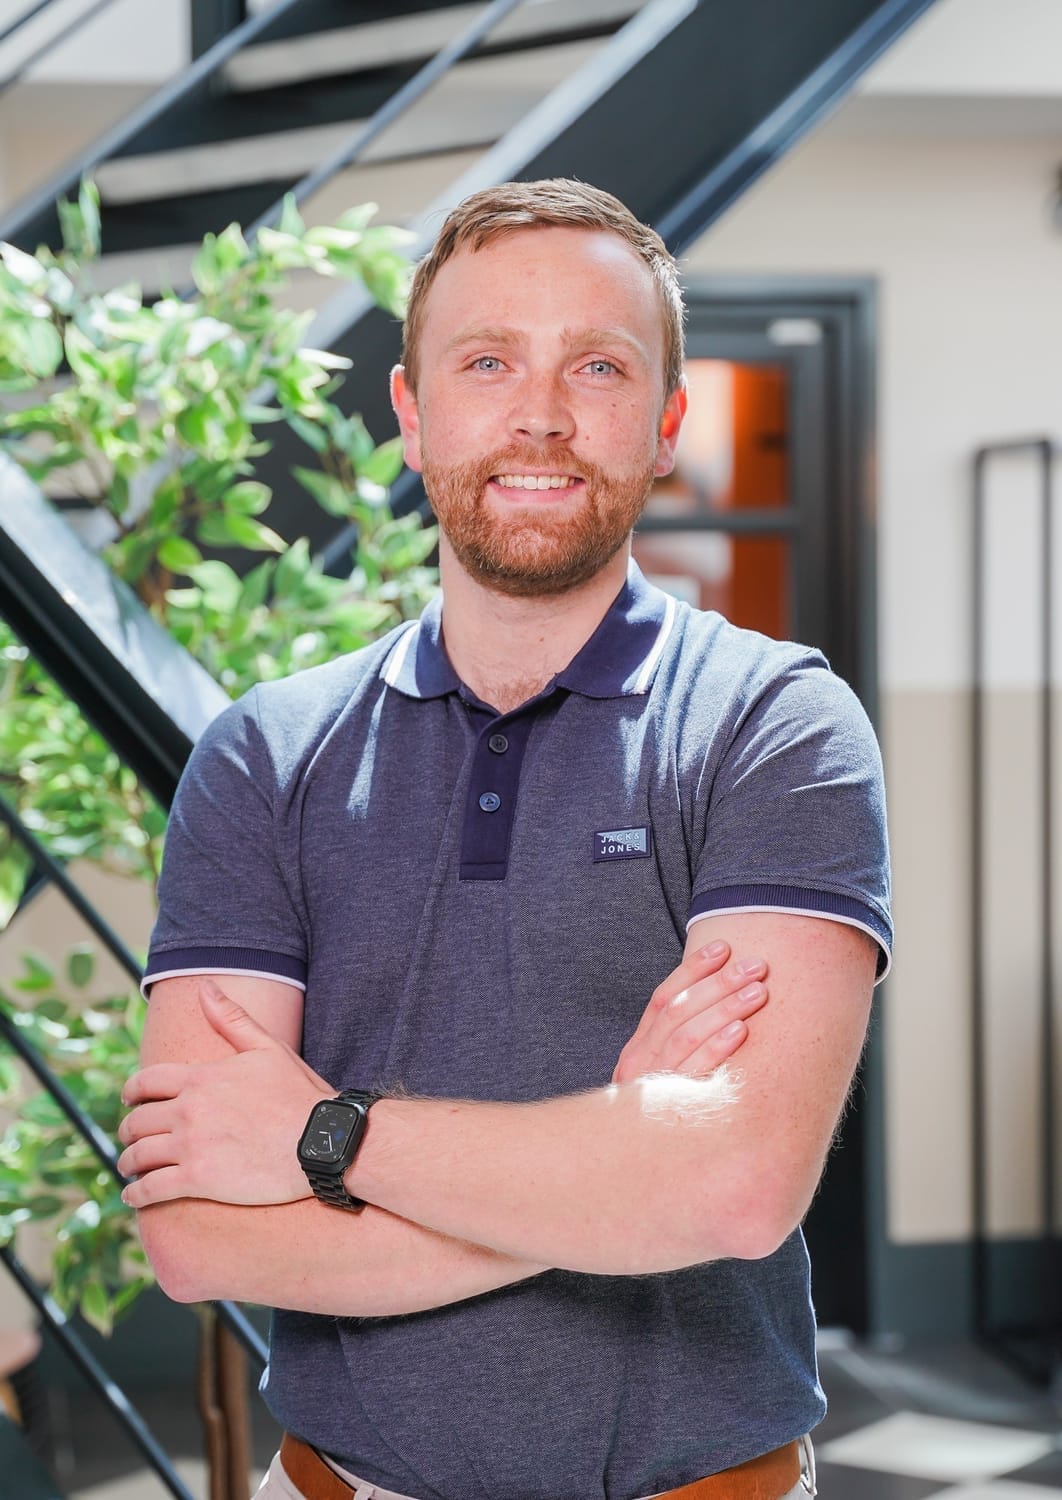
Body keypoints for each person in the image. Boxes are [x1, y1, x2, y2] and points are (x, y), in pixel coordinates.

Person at [117, 179, 891, 1500]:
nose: (539, 414)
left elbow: (734, 1191)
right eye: (487, 362)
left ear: (666, 423)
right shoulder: (267, 754)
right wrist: (619, 1170)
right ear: (412, 414)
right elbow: (196, 1236)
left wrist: (327, 1137)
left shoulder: (774, 724)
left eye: (597, 365)